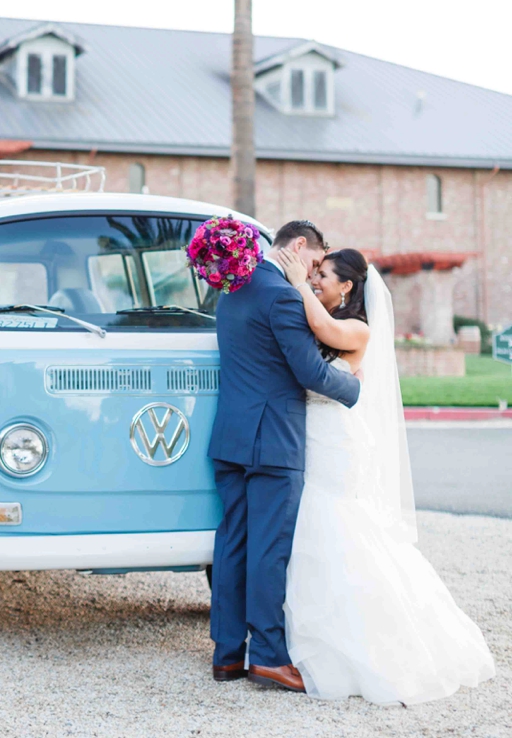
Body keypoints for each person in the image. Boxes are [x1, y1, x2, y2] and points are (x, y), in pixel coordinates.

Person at [276, 245, 495, 704]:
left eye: (324, 276)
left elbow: (325, 327)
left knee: (336, 526)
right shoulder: (320, 314)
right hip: (310, 435)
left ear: (348, 286)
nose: (316, 281)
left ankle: (363, 644)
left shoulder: (355, 328)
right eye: (314, 276)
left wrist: (297, 282)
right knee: (312, 530)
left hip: (335, 439)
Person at [208, 220, 361, 691]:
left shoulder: (233, 288)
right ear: (298, 247)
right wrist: (353, 388)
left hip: (231, 436)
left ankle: (228, 655)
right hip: (272, 441)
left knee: (233, 543)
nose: (314, 275)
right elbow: (311, 372)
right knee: (270, 550)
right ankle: (270, 657)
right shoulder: (281, 295)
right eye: (315, 262)